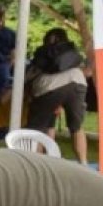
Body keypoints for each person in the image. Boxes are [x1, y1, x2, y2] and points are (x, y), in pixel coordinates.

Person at [25, 28, 88, 165]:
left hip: (48, 88)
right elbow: (85, 70)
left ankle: (38, 165)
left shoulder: (43, 53)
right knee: (76, 127)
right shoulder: (71, 52)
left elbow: (29, 77)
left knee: (38, 127)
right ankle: (83, 164)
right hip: (77, 82)